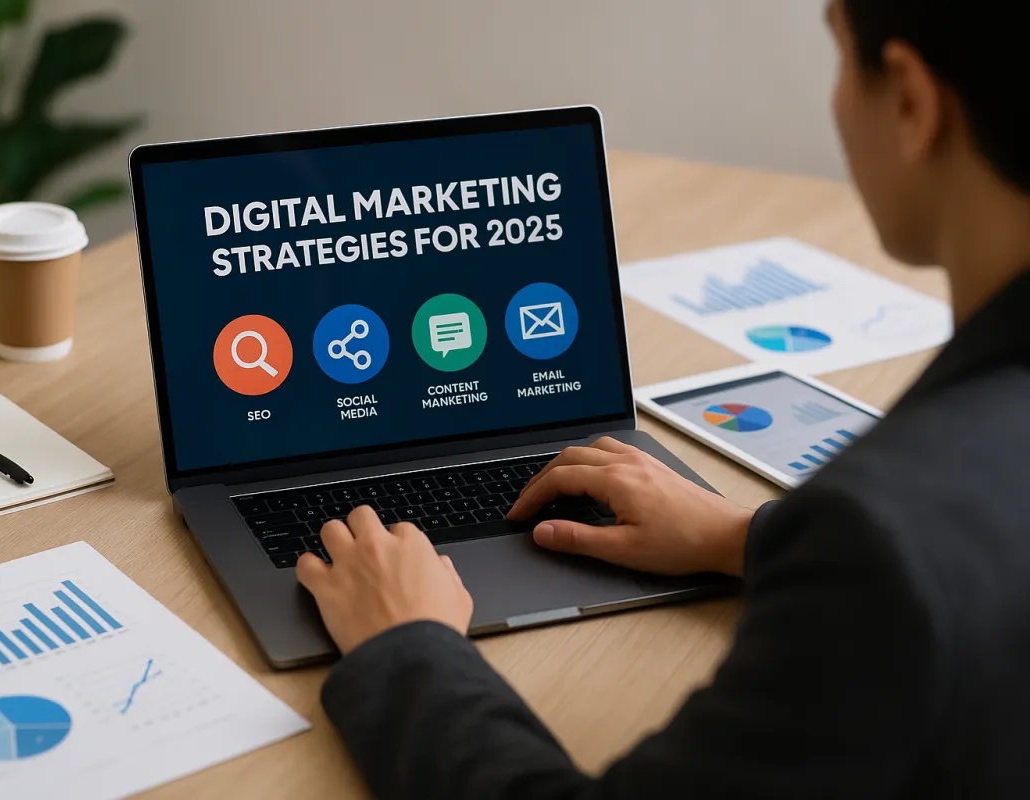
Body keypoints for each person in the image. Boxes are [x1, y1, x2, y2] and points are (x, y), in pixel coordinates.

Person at [295, 0, 1030, 796]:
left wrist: (404, 645)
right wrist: (746, 535)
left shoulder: (882, 542)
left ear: (913, 103)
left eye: (840, 56)